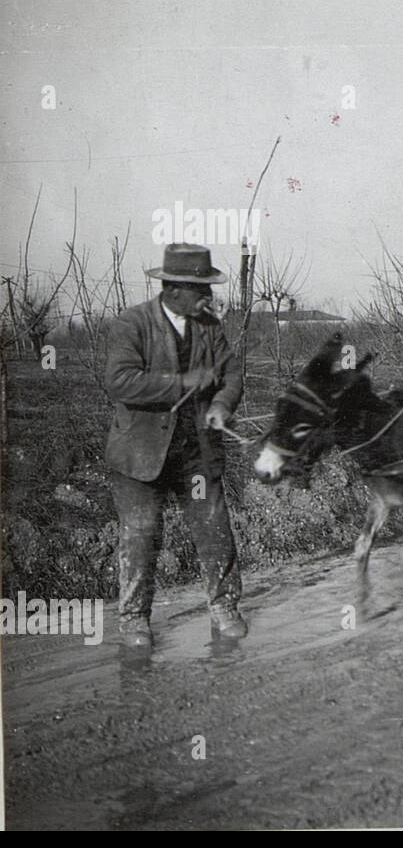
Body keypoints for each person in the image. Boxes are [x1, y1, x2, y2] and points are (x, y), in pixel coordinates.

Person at [104, 243, 245, 648]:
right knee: (141, 533)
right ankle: (134, 619)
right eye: (202, 289)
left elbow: (231, 374)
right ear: (173, 289)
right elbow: (120, 381)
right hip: (140, 455)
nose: (209, 296)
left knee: (214, 527)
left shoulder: (210, 327)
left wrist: (220, 404)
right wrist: (181, 383)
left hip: (196, 452)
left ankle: (224, 608)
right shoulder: (131, 324)